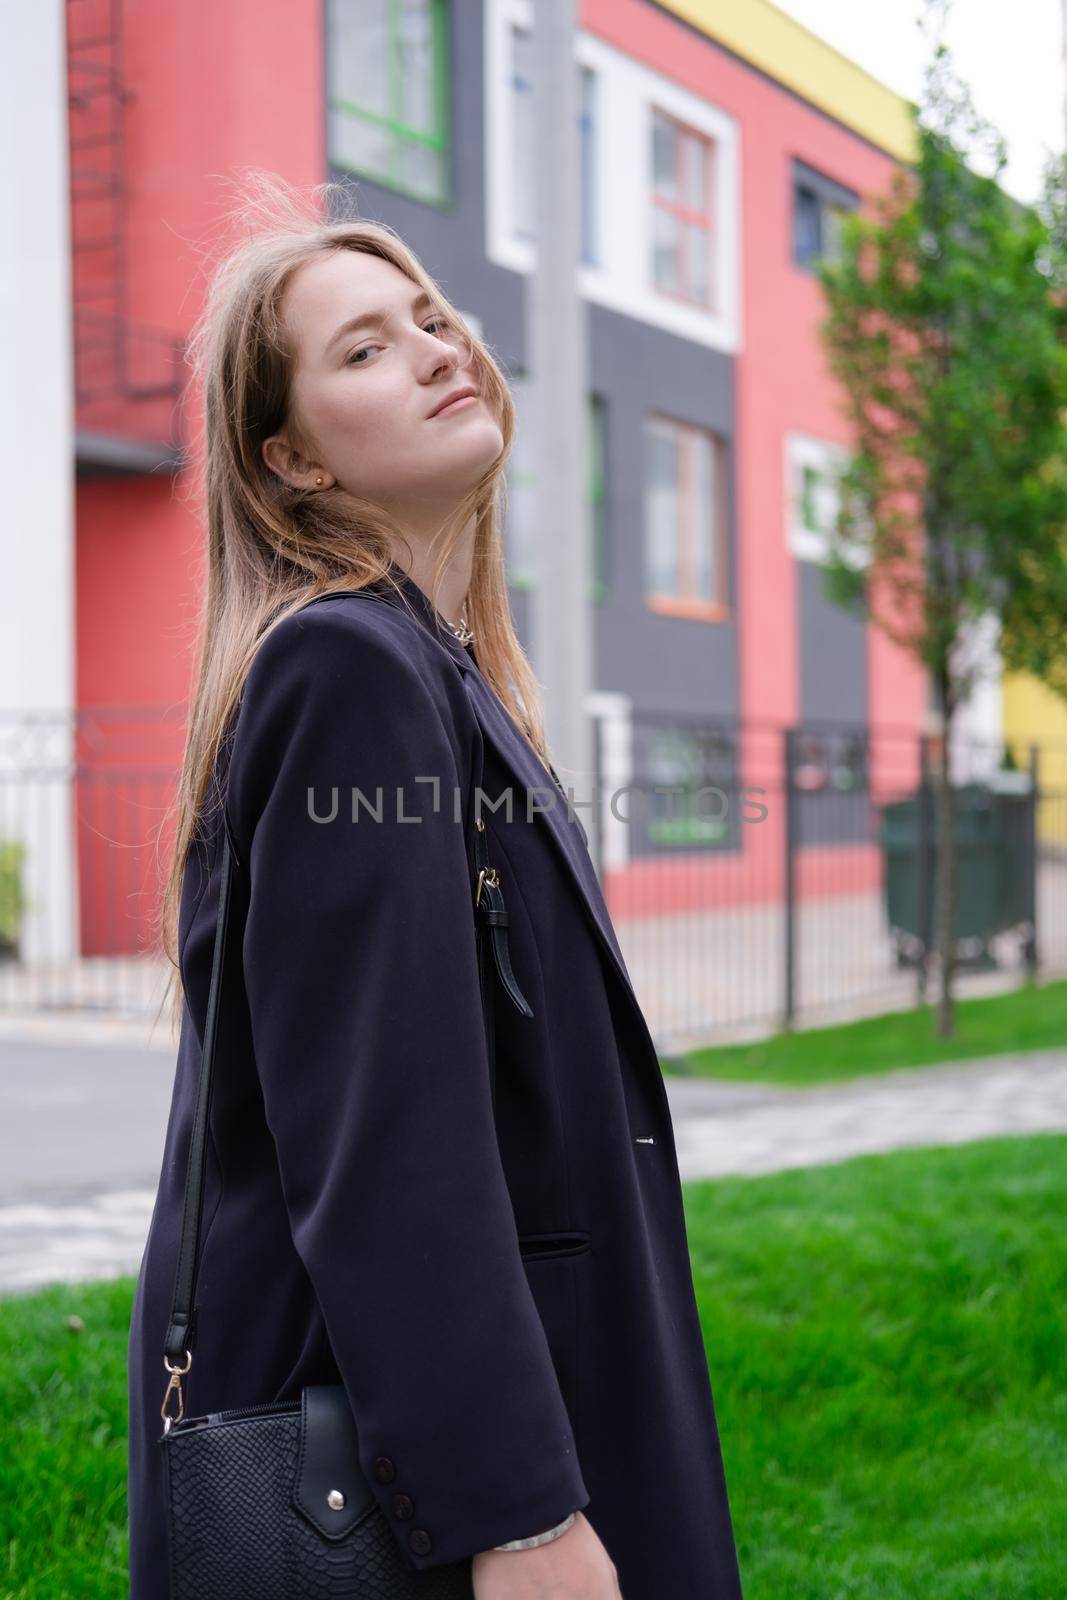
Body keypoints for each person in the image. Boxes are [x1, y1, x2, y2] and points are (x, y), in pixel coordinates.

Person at [127, 175, 745, 1600]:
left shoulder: (440, 675)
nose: (435, 345)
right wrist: (514, 1515)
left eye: (427, 316)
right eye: (364, 349)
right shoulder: (348, 670)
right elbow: (386, 1142)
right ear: (289, 463)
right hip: (444, 1488)